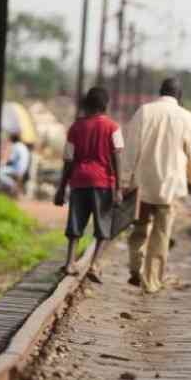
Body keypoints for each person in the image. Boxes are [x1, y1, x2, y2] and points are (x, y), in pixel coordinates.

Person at [123, 78, 191, 294]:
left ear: (160, 92)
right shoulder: (187, 118)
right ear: (179, 96)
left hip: (142, 184)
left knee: (139, 229)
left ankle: (136, 268)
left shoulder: (144, 112)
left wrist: (124, 180)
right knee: (161, 234)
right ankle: (151, 281)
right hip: (170, 187)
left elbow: (130, 149)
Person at [54, 87, 123, 283]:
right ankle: (94, 265)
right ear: (105, 105)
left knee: (75, 224)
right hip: (103, 182)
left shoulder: (75, 128)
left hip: (79, 181)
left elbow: (68, 159)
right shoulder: (113, 127)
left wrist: (61, 188)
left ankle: (69, 262)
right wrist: (118, 188)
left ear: (86, 104)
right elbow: (117, 157)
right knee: (103, 226)